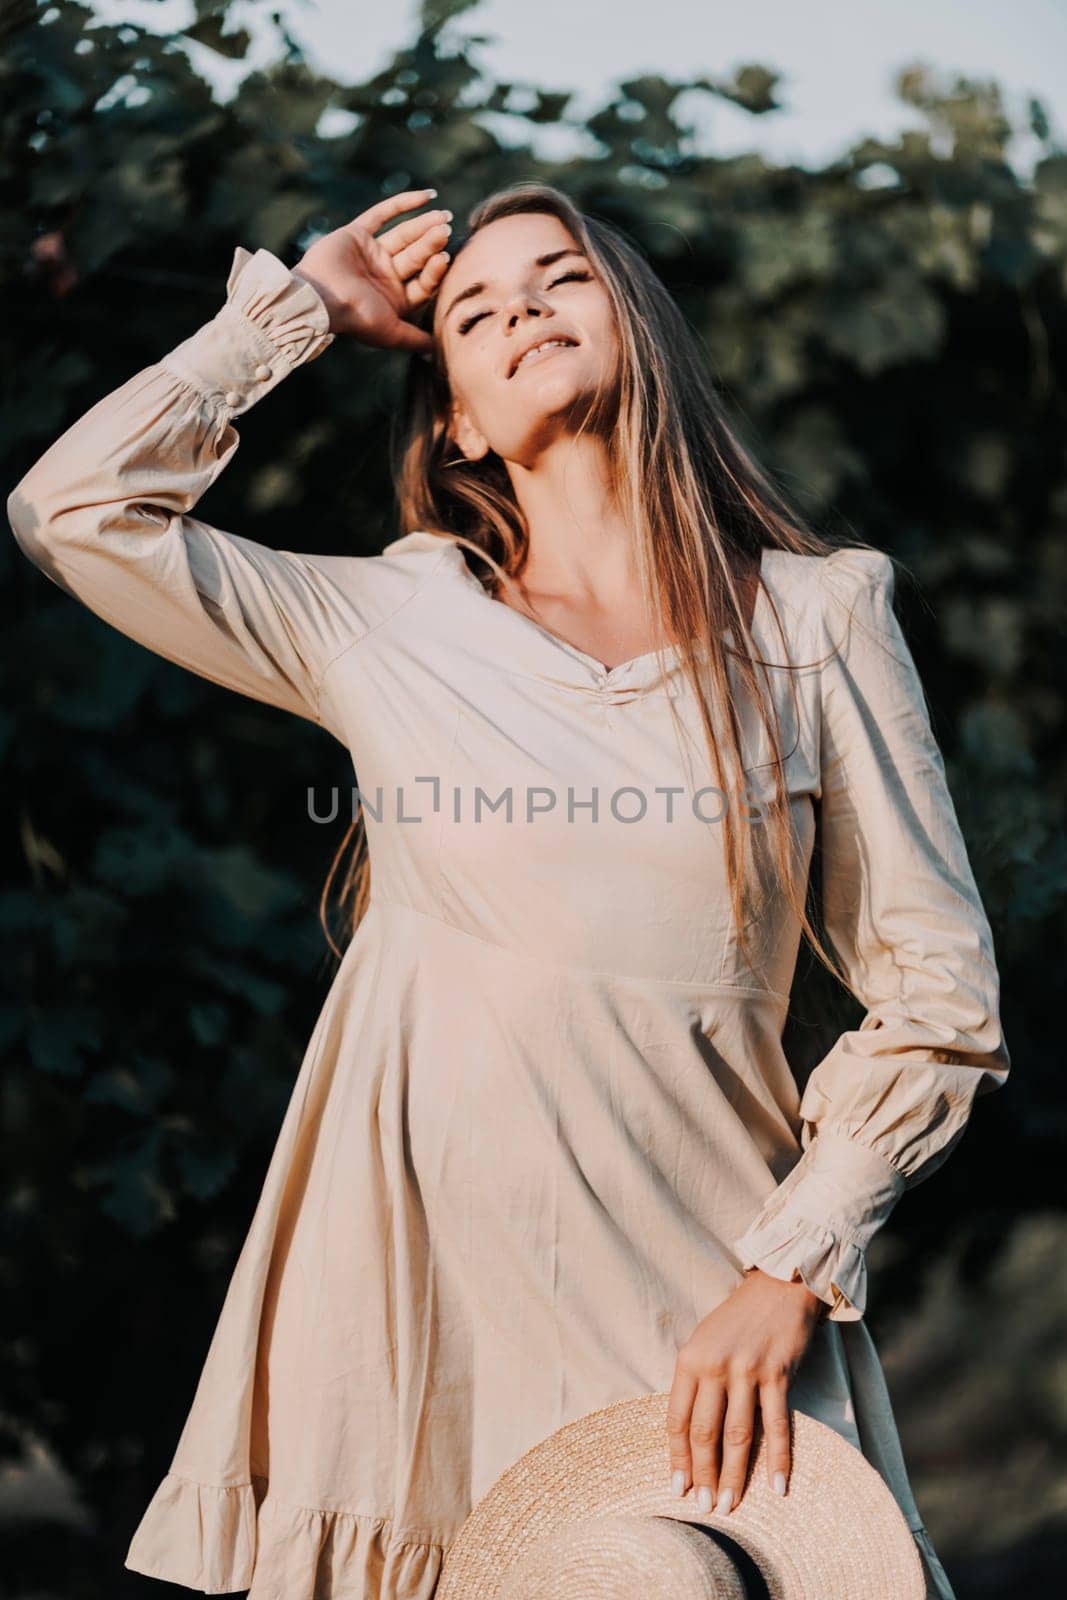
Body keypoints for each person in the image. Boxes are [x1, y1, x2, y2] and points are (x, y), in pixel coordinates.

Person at [6, 182, 1009, 1600]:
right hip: (427, 1344)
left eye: (563, 278)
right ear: (461, 418)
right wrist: (293, 313)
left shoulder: (814, 618)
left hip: (705, 1315)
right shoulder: (387, 620)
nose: (523, 307)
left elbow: (939, 998)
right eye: (473, 312)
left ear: (640, 330)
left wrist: (793, 1269)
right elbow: (72, 508)